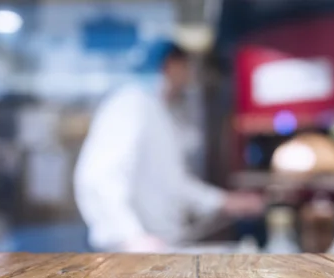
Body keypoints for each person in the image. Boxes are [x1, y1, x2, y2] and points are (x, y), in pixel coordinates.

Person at [74, 43, 263, 252]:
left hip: (160, 247)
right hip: (132, 252)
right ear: (170, 66)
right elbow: (100, 176)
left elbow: (174, 182)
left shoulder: (158, 110)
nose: (190, 77)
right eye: (186, 68)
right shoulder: (130, 104)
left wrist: (225, 202)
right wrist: (130, 237)